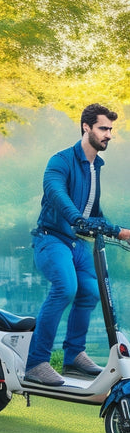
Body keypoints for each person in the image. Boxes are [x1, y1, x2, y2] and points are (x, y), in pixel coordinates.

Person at [25, 103, 130, 386]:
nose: (108, 134)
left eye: (110, 129)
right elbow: (57, 193)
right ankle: (36, 362)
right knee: (66, 288)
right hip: (51, 240)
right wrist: (75, 218)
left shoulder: (96, 166)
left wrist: (120, 231)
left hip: (75, 244)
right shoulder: (60, 161)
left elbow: (94, 214)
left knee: (91, 291)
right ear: (86, 127)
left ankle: (73, 356)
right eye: (103, 128)